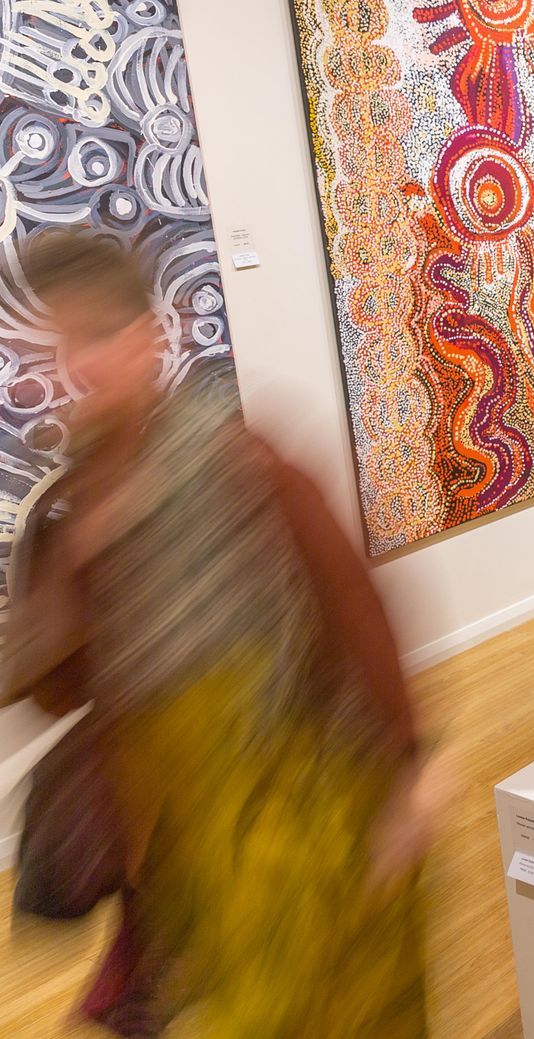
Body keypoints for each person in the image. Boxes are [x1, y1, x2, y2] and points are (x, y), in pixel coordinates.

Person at [0, 231, 436, 1036]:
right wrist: (64, 564)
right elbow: (58, 688)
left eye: (93, 339)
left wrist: (406, 768)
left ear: (147, 339)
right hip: (169, 839)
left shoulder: (231, 457)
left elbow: (349, 598)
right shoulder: (69, 510)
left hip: (285, 811)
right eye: (49, 354)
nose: (71, 375)